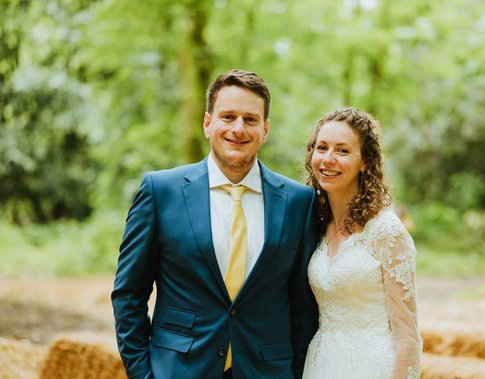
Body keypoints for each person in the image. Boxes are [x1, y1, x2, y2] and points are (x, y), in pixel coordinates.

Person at [112, 69, 320, 379]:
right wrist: (143, 374)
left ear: (265, 130)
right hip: (179, 370)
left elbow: (304, 306)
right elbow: (129, 293)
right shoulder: (160, 192)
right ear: (208, 123)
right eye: (228, 117)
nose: (239, 128)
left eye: (250, 120)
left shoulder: (299, 202)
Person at [302, 107, 422, 379]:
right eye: (322, 148)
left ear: (365, 161)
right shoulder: (315, 224)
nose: (328, 159)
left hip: (373, 367)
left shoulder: (386, 231)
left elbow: (408, 336)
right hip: (320, 364)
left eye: (342, 151)